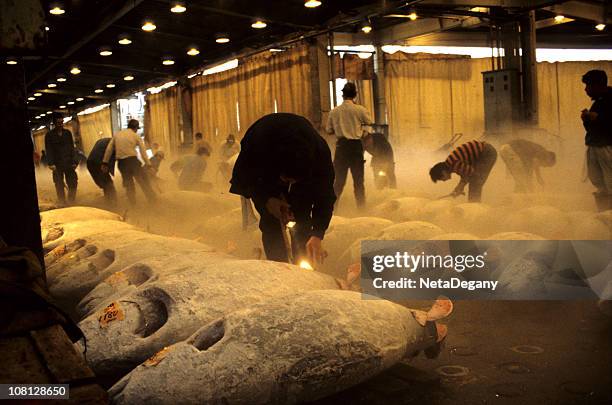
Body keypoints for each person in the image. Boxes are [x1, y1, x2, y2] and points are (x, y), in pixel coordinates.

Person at [230, 113, 336, 265]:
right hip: (264, 169)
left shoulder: (319, 156)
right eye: (286, 179)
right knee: (270, 222)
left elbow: (325, 197)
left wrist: (318, 234)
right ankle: (279, 266)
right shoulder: (258, 147)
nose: (289, 185)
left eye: (294, 181)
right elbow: (248, 181)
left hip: (301, 170)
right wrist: (266, 199)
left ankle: (302, 264)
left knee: (302, 218)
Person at [326, 82, 373, 209]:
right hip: (355, 147)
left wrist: (341, 128)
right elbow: (369, 123)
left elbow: (329, 130)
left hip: (341, 147)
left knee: (339, 183)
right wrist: (363, 132)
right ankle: (361, 209)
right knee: (358, 182)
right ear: (355, 95)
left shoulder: (334, 112)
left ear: (342, 95)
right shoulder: (360, 110)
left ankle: (332, 210)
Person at [101, 119, 156, 205]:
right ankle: (153, 200)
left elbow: (109, 149)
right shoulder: (135, 136)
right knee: (143, 181)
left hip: (122, 163)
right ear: (135, 128)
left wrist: (105, 163)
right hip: (133, 162)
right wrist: (149, 165)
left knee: (129, 185)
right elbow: (143, 152)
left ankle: (133, 204)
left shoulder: (117, 135)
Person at [581, 69, 612, 211]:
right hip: (595, 145)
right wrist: (587, 120)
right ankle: (604, 210)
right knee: (598, 181)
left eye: (588, 86)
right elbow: (593, 129)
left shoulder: (610, 100)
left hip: (607, 147)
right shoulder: (598, 102)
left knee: (610, 180)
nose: (586, 90)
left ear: (599, 85)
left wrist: (598, 118)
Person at [429, 140, 497, 202]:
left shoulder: (454, 164)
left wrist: (460, 186)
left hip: (487, 153)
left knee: (476, 181)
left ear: (443, 172)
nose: (443, 181)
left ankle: (474, 206)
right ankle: (474, 204)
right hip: (485, 151)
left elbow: (471, 172)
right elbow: (466, 173)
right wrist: (459, 187)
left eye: (441, 179)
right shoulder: (451, 163)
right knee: (475, 181)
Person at [44, 113, 78, 205]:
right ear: (54, 123)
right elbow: (49, 149)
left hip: (68, 162)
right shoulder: (49, 135)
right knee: (59, 184)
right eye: (58, 122)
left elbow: (72, 147)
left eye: (62, 122)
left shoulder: (67, 133)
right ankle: (62, 202)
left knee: (73, 182)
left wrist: (75, 161)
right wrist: (50, 163)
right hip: (57, 164)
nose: (61, 124)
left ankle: (71, 201)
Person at [87, 137, 117, 205]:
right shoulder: (113, 143)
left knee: (105, 184)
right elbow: (111, 156)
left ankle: (109, 202)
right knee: (108, 184)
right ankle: (113, 204)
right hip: (99, 163)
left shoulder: (101, 141)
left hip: (89, 163)